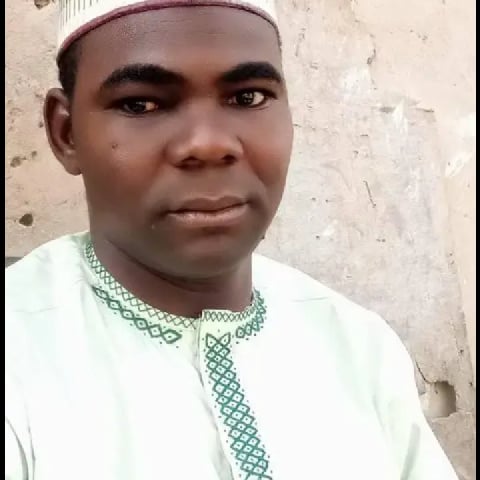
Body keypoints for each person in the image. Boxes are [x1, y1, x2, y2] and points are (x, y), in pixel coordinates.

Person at [5, 1, 459, 479]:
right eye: (141, 104)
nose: (208, 144)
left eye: (248, 97)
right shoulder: (20, 353)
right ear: (66, 132)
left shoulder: (360, 347)